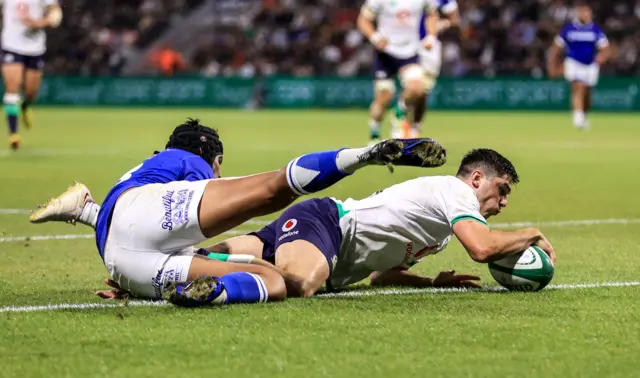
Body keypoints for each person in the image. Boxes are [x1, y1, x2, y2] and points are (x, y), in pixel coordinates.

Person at [30, 118, 447, 306]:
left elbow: (123, 229)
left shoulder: (142, 173)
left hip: (123, 261)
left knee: (273, 280)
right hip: (134, 252)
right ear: (214, 159)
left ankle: (215, 291)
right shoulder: (187, 162)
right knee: (272, 189)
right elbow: (257, 192)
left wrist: (90, 216)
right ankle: (366, 154)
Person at [200, 148, 556, 299]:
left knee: (200, 259)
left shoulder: (443, 230)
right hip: (327, 224)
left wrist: (431, 281)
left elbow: (381, 274)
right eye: (502, 189)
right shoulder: (454, 191)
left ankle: (171, 267)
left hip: (322, 240)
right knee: (300, 284)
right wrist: (532, 233)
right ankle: (222, 287)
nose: (504, 201)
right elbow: (483, 248)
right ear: (476, 179)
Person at [357, 0, 438, 146]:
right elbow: (363, 20)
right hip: (385, 53)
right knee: (384, 98)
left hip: (410, 52)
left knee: (417, 88)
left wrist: (431, 36)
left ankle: (399, 112)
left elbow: (432, 14)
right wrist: (375, 37)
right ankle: (374, 133)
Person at [391, 0, 461, 138]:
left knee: (423, 92)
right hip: (407, 45)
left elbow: (455, 20)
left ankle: (415, 128)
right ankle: (400, 114)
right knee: (413, 86)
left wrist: (440, 25)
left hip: (430, 48)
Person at [2, 0, 62, 149]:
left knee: (31, 92)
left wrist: (41, 22)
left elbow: (55, 13)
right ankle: (13, 134)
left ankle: (25, 105)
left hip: (35, 48)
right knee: (12, 88)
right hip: (11, 45)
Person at [547, 2, 610, 130]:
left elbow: (605, 48)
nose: (586, 15)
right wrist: (552, 64)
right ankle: (578, 119)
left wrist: (601, 58)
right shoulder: (568, 29)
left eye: (588, 12)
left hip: (590, 64)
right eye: (583, 12)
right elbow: (556, 47)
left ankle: (584, 115)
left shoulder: (595, 30)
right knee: (578, 86)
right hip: (573, 62)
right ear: (578, 13)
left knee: (587, 93)